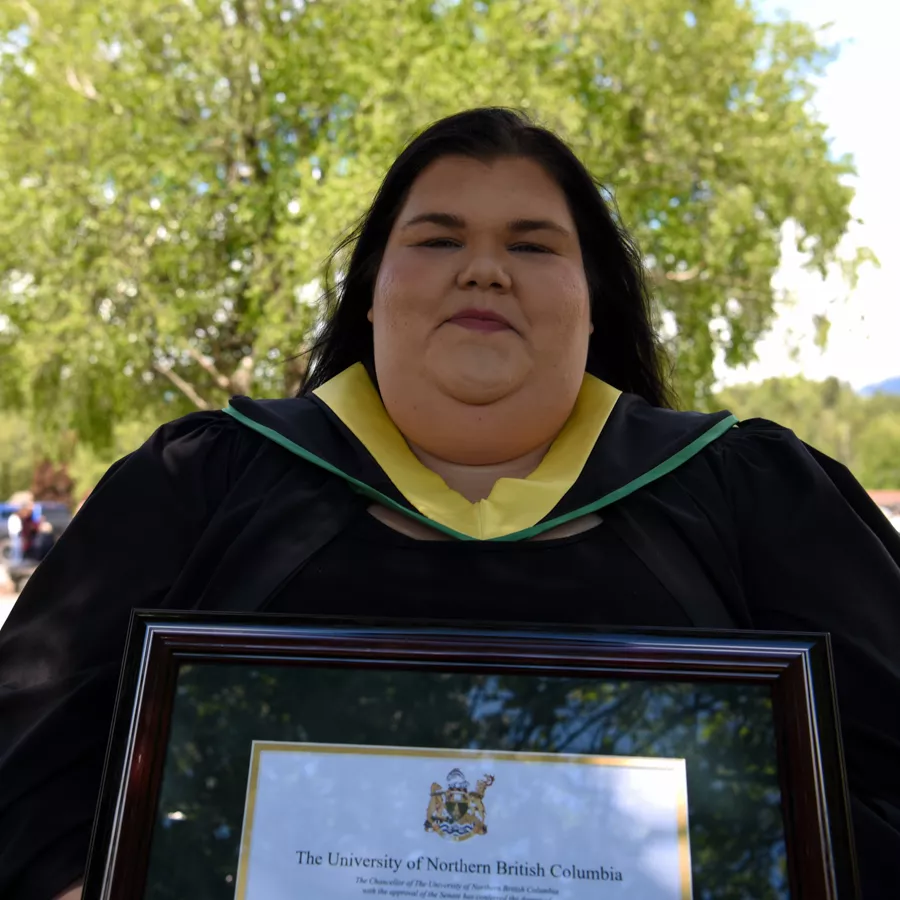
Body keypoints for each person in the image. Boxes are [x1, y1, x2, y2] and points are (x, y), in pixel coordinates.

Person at [1, 108, 898, 900]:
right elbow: (23, 768)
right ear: (370, 296)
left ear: (594, 304)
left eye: (533, 244)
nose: (483, 270)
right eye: (437, 239)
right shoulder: (201, 485)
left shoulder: (750, 497)